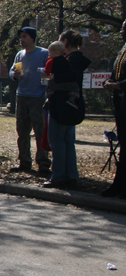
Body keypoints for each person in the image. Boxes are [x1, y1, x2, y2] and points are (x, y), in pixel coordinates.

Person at [43, 35, 90, 189]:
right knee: (69, 142)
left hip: (61, 105)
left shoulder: (67, 61)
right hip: (72, 104)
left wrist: (52, 76)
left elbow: (69, 77)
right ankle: (71, 175)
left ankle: (59, 176)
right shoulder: (77, 59)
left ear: (65, 43)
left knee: (57, 141)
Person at [9, 26, 51, 174]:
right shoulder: (20, 55)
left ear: (32, 38)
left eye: (25, 36)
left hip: (38, 98)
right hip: (22, 96)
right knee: (22, 131)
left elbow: (49, 71)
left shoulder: (43, 53)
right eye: (21, 37)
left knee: (40, 131)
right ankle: (24, 162)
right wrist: (14, 74)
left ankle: (43, 163)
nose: (22, 39)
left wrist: (45, 84)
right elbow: (12, 71)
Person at [101, 19, 126, 197]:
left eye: (125, 29)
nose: (122, 31)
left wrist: (119, 86)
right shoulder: (123, 49)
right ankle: (119, 185)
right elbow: (117, 72)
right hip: (121, 102)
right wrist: (109, 81)